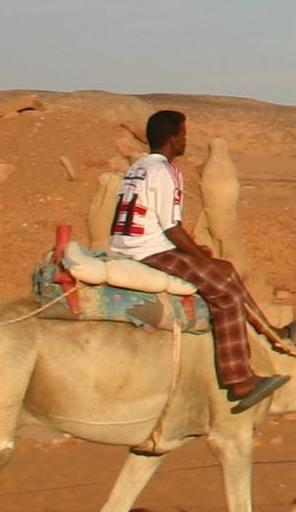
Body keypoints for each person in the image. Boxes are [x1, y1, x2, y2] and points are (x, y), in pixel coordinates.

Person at [110, 108, 284, 413]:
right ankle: (239, 380)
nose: (186, 141)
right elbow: (171, 227)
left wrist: (198, 252)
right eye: (184, 135)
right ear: (173, 138)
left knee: (225, 268)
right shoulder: (166, 171)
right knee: (224, 292)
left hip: (134, 245)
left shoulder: (139, 166)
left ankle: (268, 332)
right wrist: (196, 254)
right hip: (148, 252)